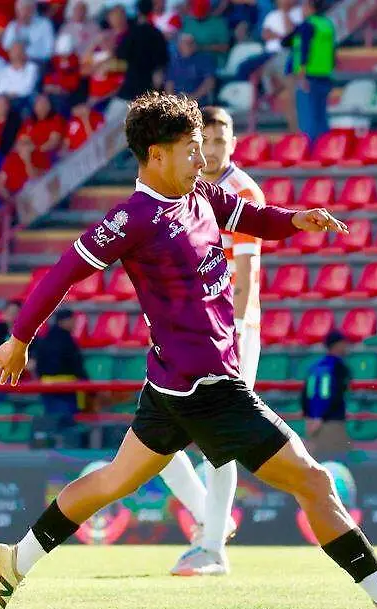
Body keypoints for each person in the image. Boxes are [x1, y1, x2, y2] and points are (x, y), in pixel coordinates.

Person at [0, 92, 377, 609]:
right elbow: (62, 271)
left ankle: (13, 561)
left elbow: (250, 216)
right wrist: (20, 339)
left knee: (114, 480)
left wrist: (297, 220)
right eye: (190, 148)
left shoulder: (201, 195)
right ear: (155, 154)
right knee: (314, 480)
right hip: (206, 388)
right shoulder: (133, 217)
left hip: (173, 385)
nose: (202, 158)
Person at [157, 106, 263, 577]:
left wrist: (236, 334)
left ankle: (213, 548)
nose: (214, 149)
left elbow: (245, 272)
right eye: (207, 141)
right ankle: (211, 521)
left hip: (232, 330)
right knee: (155, 446)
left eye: (222, 140)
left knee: (222, 439)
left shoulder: (240, 192)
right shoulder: (186, 188)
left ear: (234, 144)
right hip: (190, 330)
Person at [285, 0, 335, 142]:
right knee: (322, 115)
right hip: (325, 74)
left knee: (308, 115)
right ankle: (324, 147)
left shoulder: (307, 25)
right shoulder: (327, 24)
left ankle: (310, 149)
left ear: (310, 8)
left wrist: (301, 71)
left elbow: (299, 47)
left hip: (308, 75)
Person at [33, 308, 87, 422]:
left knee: (52, 419)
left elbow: (38, 365)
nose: (74, 324)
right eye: (72, 320)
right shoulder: (68, 341)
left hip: (46, 385)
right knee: (67, 422)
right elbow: (76, 365)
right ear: (64, 321)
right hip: (66, 387)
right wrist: (88, 384)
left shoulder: (45, 339)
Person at [302, 331, 351, 453]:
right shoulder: (339, 367)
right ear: (337, 345)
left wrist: (310, 416)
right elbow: (335, 393)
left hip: (313, 421)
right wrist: (320, 417)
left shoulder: (315, 367)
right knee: (337, 456)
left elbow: (305, 394)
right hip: (332, 420)